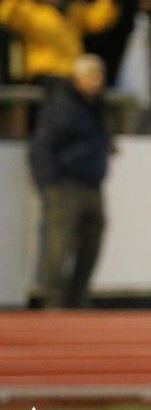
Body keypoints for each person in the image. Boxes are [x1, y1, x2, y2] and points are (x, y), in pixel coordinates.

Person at [29, 54, 111, 308]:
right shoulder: (62, 106)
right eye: (90, 75)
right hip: (65, 183)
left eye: (99, 75)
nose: (96, 81)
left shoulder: (95, 105)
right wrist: (48, 184)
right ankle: (53, 300)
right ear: (76, 78)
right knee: (59, 244)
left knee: (91, 243)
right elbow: (42, 147)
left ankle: (78, 299)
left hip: (92, 183)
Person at [0, 0, 118, 85]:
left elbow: (99, 21)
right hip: (45, 72)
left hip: (75, 73)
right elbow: (5, 17)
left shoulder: (73, 10)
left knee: (95, 76)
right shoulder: (29, 9)